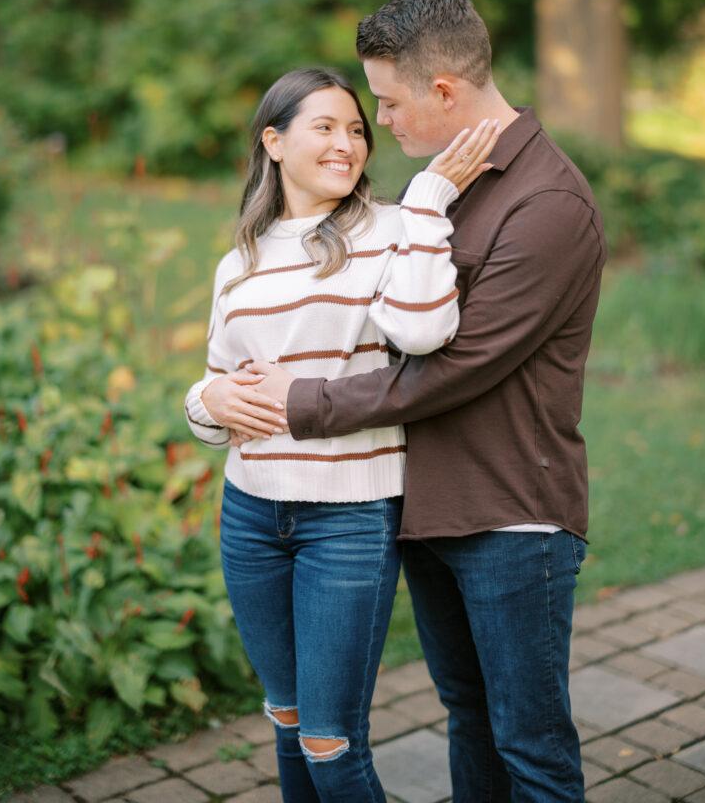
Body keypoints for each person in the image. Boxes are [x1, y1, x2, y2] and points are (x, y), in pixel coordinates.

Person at [239, 0, 607, 802]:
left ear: (444, 91)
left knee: (532, 745)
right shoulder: (438, 187)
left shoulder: (546, 203)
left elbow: (456, 366)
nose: (382, 124)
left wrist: (302, 403)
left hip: (512, 517)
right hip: (428, 506)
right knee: (469, 715)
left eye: (388, 102)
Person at [183, 65, 499, 803]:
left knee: (331, 739)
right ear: (274, 141)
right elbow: (214, 388)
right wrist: (207, 400)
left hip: (349, 518)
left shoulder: (392, 227)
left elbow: (425, 333)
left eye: (356, 129)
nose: (347, 143)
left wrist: (428, 198)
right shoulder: (241, 261)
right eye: (323, 126)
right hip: (251, 514)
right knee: (287, 717)